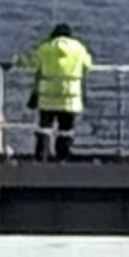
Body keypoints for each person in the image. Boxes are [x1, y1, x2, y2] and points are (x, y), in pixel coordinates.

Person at [22, 21, 92, 157]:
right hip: (70, 97)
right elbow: (88, 63)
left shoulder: (45, 47)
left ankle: (42, 153)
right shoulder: (78, 48)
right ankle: (63, 154)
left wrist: (14, 61)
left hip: (47, 95)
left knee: (44, 127)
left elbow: (32, 62)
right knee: (66, 128)